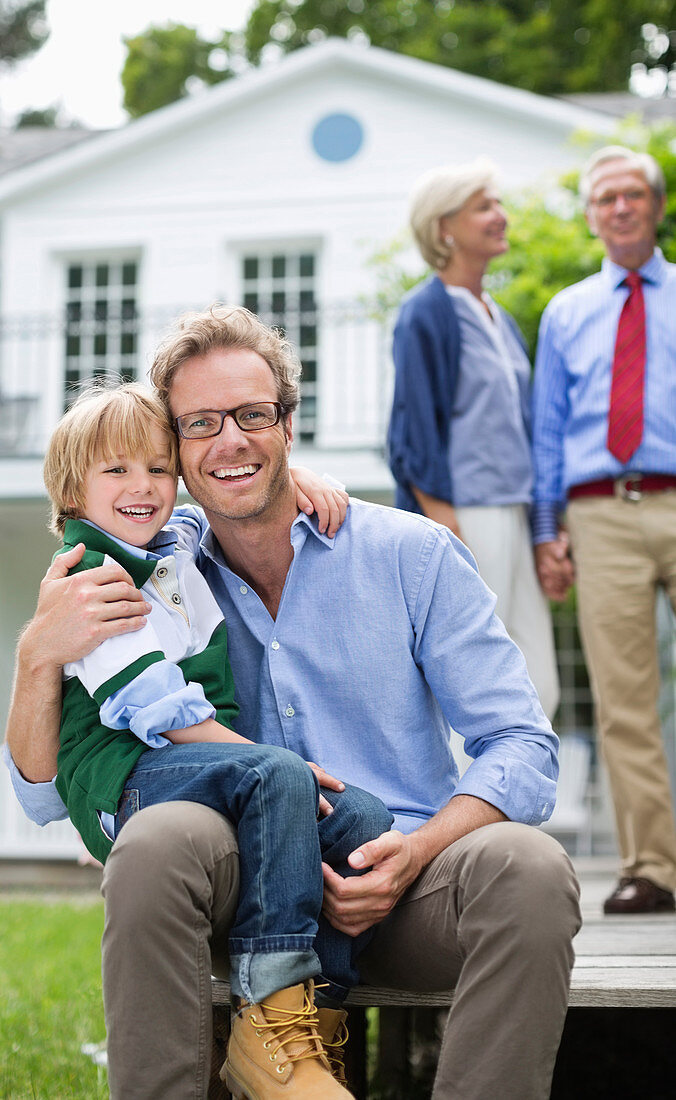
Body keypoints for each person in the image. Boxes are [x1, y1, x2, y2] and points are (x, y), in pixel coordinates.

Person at [5, 305, 581, 1100]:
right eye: (201, 423)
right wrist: (38, 654)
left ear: (287, 423)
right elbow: (38, 798)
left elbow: (522, 743)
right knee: (159, 836)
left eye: (253, 415)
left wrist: (416, 853)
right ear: (177, 449)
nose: (230, 440)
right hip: (237, 893)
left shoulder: (409, 554)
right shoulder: (153, 575)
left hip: (404, 876)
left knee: (530, 868)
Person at [38, 380, 393, 1098]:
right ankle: (270, 1011)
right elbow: (152, 705)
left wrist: (301, 479)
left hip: (190, 764)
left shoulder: (169, 550)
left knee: (361, 820)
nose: (144, 487)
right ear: (72, 490)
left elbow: (231, 498)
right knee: (279, 777)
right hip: (124, 774)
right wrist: (270, 762)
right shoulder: (91, 575)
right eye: (117, 471)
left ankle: (299, 1028)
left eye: (159, 469)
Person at [532, 144, 676, 915]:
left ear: (655, 206)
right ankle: (652, 867)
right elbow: (548, 429)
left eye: (632, 195)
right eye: (605, 198)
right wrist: (547, 532)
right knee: (624, 700)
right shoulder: (566, 313)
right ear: (593, 214)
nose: (619, 207)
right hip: (597, 513)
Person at [388, 158, 559, 721]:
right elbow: (411, 429)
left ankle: (517, 807)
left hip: (513, 511)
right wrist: (442, 518)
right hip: (466, 515)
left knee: (539, 683)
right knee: (475, 685)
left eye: (498, 204)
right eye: (484, 206)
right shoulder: (426, 312)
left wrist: (544, 528)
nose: (501, 216)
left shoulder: (499, 318)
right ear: (445, 228)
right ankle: (468, 809)